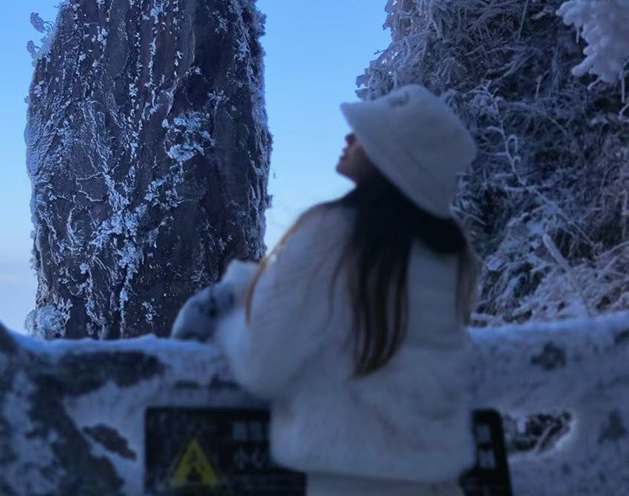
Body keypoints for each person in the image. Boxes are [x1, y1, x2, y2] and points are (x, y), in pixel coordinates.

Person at [172, 84, 480, 495]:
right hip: (440, 479)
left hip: (350, 481)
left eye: (369, 135)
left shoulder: (333, 233)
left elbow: (261, 365)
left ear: (394, 158)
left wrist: (228, 312)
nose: (350, 137)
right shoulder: (449, 251)